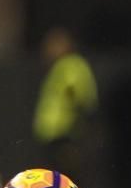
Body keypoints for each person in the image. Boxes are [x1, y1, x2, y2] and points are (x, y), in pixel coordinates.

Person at [32, 27, 98, 179]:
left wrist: (77, 133)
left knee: (65, 181)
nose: (49, 49)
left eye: (54, 44)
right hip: (50, 136)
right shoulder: (57, 67)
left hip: (65, 135)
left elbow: (79, 96)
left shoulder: (71, 64)